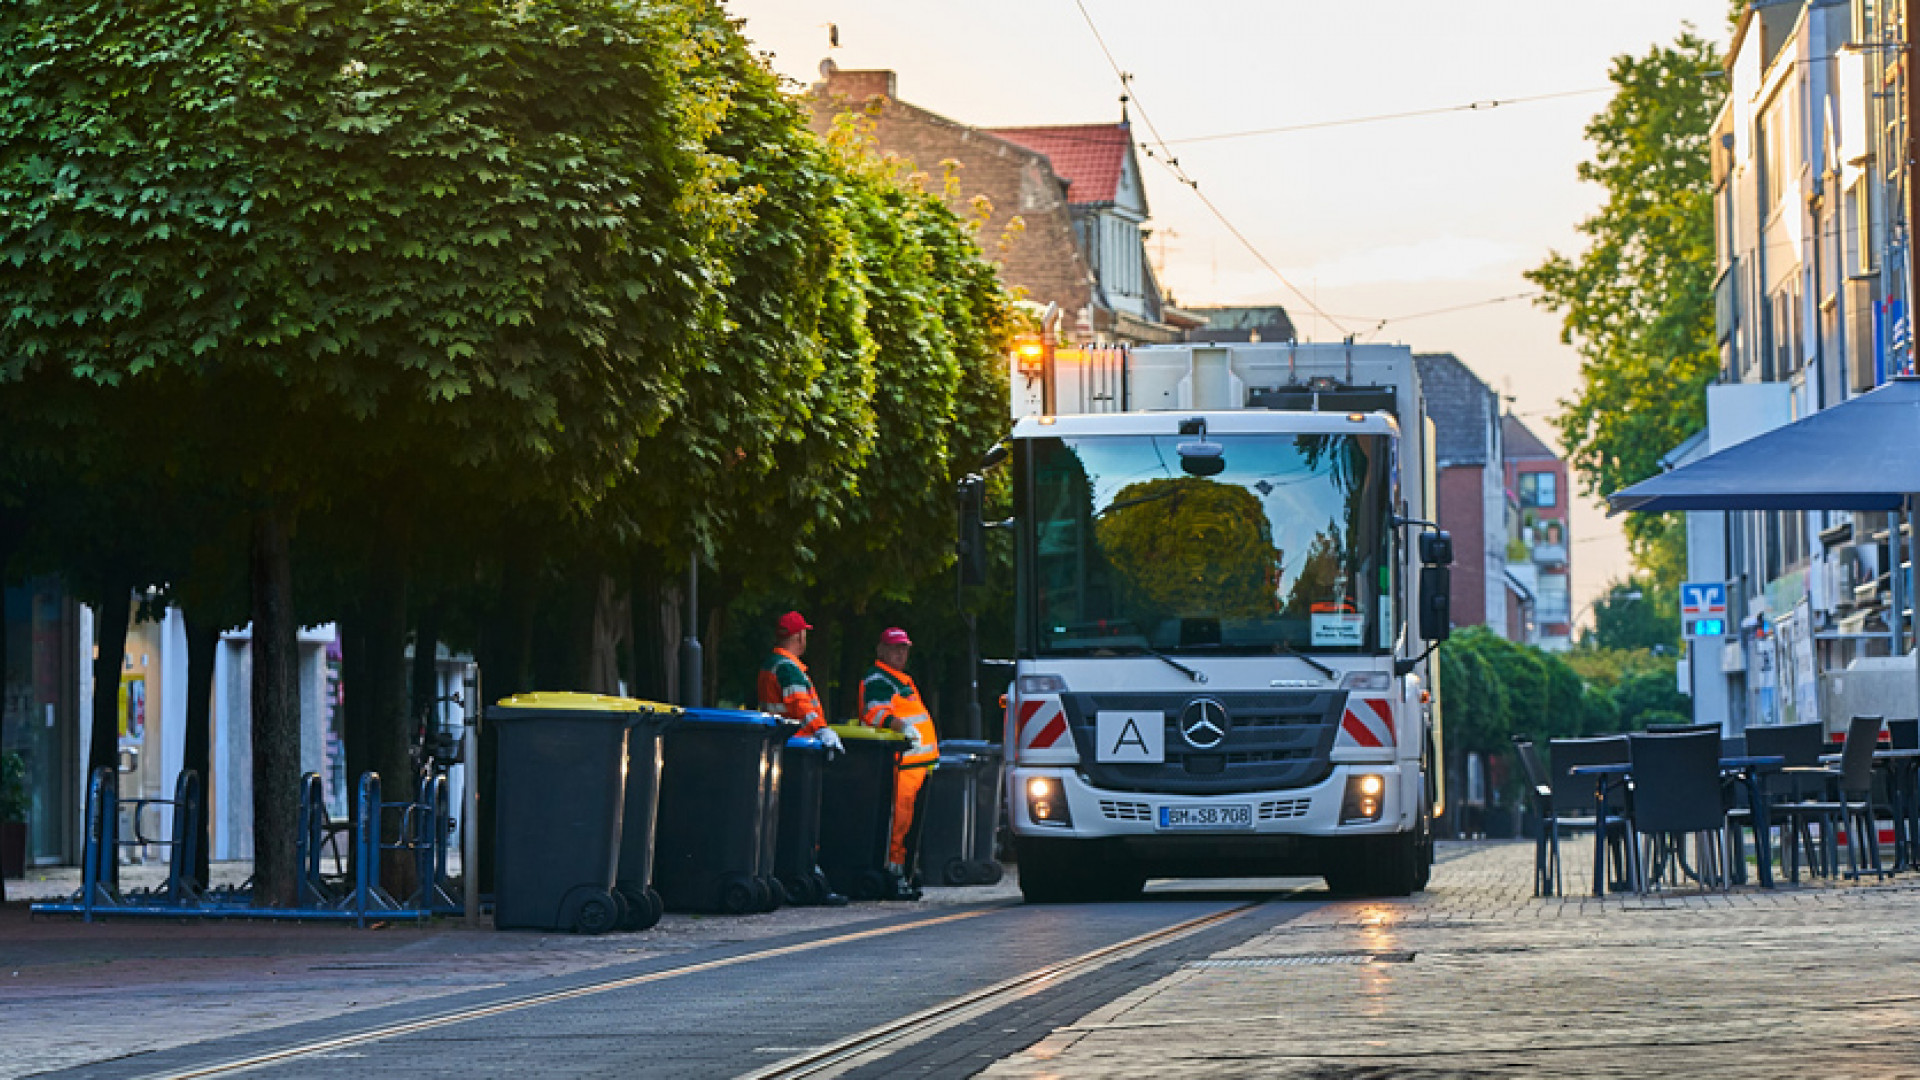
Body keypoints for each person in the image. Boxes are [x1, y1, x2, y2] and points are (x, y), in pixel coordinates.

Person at [860, 627, 939, 897]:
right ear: (880, 650)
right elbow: (874, 712)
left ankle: (899, 871)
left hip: (913, 764)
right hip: (901, 764)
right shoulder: (879, 678)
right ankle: (893, 873)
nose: (900, 653)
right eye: (894, 648)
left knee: (904, 822)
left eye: (904, 648)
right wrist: (902, 727)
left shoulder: (899, 679)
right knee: (898, 821)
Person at [758, 611, 842, 752]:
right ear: (800, 636)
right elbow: (800, 706)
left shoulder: (771, 664)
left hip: (776, 740)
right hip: (796, 743)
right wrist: (821, 729)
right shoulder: (788, 668)